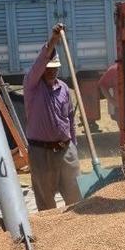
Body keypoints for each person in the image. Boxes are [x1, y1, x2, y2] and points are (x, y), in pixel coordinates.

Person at [23, 23, 81, 210]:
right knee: (46, 202)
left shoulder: (64, 89)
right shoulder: (32, 85)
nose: (52, 71)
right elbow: (41, 61)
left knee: (76, 198)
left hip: (65, 151)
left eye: (55, 68)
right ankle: (51, 228)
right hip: (41, 152)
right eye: (48, 68)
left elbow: (70, 119)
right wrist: (54, 40)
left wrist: (73, 146)